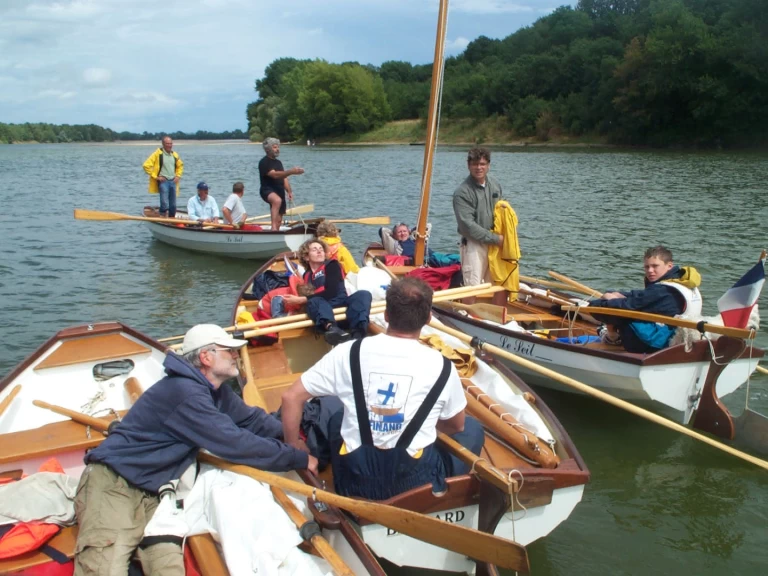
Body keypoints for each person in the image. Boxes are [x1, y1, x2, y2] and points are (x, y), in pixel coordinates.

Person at [73, 324, 317, 575]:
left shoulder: (215, 391)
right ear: (206, 357)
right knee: (103, 569)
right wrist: (296, 458)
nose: (236, 355)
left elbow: (251, 421)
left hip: (155, 490)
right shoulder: (185, 393)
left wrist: (295, 434)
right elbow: (234, 443)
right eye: (229, 351)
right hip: (115, 484)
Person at [280, 277, 484, 500]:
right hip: (415, 486)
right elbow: (456, 425)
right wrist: (419, 425)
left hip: (355, 482)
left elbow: (291, 397)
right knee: (471, 429)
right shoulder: (443, 366)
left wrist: (294, 444)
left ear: (386, 315)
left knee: (338, 416)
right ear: (427, 318)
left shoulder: (347, 352)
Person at [588, 246, 702, 353]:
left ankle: (612, 338)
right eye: (647, 267)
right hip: (679, 338)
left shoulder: (662, 291)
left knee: (617, 313)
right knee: (621, 304)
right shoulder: (682, 283)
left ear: (669, 266)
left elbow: (627, 305)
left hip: (659, 343)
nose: (650, 270)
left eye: (655, 266)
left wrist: (599, 302)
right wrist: (616, 295)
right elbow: (642, 297)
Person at [282, 239, 372, 346]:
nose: (319, 252)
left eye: (321, 249)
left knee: (363, 294)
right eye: (314, 250)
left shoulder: (332, 265)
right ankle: (333, 330)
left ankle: (358, 334)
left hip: (341, 305)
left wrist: (302, 299)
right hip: (323, 314)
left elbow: (332, 291)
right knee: (314, 301)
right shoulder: (307, 275)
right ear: (306, 257)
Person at [452, 147, 504, 287]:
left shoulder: (495, 185)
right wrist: (496, 239)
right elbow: (467, 226)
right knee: (472, 287)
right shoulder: (462, 192)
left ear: (488, 165)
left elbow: (502, 212)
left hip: (495, 244)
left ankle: (494, 309)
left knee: (496, 285)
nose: (478, 167)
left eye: (482, 164)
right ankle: (467, 309)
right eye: (475, 164)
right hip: (474, 245)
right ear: (468, 165)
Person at [259, 137, 304, 231]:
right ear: (268, 149)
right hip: (267, 190)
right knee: (277, 201)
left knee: (279, 220)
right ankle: (273, 229)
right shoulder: (264, 162)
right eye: (275, 147)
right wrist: (291, 171)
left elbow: (284, 177)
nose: (277, 149)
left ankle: (276, 233)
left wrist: (289, 191)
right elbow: (274, 175)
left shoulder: (279, 163)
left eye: (278, 147)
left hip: (279, 190)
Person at [379, 222, 460, 268]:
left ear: (409, 232)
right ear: (395, 235)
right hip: (424, 260)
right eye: (399, 232)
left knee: (457, 257)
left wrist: (411, 231)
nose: (402, 233)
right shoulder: (395, 245)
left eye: (405, 231)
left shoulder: (417, 239)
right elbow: (383, 230)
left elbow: (428, 225)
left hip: (434, 255)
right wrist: (393, 235)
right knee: (454, 261)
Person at [143, 136, 184, 218]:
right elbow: (146, 165)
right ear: (163, 144)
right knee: (164, 203)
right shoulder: (158, 154)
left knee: (173, 205)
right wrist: (156, 177)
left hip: (173, 181)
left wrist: (178, 176)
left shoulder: (174, 155)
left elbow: (180, 166)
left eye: (170, 143)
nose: (169, 145)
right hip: (163, 181)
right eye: (167, 143)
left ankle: (172, 219)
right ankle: (162, 216)